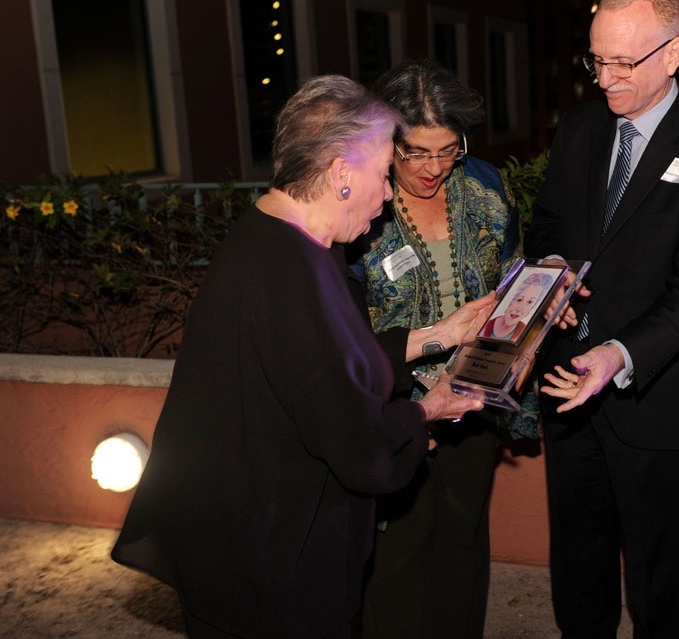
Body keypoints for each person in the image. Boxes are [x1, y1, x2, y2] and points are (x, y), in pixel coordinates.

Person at [110, 75, 484, 639]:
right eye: (383, 174)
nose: (387, 195)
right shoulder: (294, 275)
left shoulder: (271, 234)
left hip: (234, 542)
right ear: (340, 174)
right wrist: (425, 411)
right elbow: (358, 445)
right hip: (271, 565)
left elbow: (322, 364)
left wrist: (436, 335)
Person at [526, 0, 679, 638]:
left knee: (656, 582)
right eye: (596, 60)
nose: (604, 78)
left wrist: (618, 353)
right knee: (577, 570)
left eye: (622, 62)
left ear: (674, 54)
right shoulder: (578, 131)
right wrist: (552, 272)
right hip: (568, 389)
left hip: (659, 399)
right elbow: (546, 225)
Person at [350, 58, 533, 639]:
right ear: (387, 145)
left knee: (462, 540)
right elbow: (347, 331)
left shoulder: (482, 182)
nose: (433, 168)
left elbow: (511, 276)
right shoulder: (362, 206)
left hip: (476, 399)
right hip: (397, 405)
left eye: (447, 150)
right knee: (398, 552)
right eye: (415, 153)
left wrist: (523, 343)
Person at [481, 272, 553, 342]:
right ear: (511, 300)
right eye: (519, 300)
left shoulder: (525, 334)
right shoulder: (484, 324)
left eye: (530, 302)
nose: (519, 309)